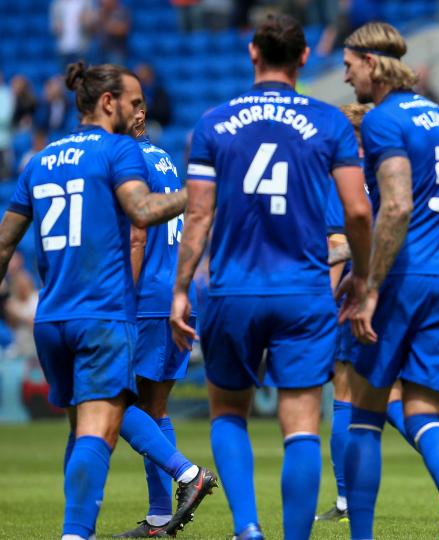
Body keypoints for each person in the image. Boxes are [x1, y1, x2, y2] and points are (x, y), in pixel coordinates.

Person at [170, 15, 373, 540]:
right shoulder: (328, 122)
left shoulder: (213, 123)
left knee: (228, 411)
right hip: (304, 290)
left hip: (232, 289)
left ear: (252, 51)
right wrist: (364, 277)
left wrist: (179, 287)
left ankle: (247, 527)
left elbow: (197, 215)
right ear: (305, 57)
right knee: (301, 423)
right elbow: (357, 210)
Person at [0, 60, 190, 540]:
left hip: (53, 315)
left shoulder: (40, 158)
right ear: (108, 102)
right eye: (132, 102)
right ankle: (94, 525)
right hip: (107, 310)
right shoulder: (124, 151)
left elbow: (5, 243)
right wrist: (202, 193)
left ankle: (149, 509)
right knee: (104, 424)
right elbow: (142, 217)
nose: (138, 112)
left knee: (82, 425)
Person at [341, 21, 439, 540]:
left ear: (372, 64)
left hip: (404, 276)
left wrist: (369, 287)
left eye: (351, 67)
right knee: (424, 414)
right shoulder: (437, 115)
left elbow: (395, 206)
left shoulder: (382, 120)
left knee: (365, 415)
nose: (348, 78)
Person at [113, 103, 215, 538]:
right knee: (154, 409)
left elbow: (137, 233)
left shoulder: (127, 160)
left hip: (147, 296)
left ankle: (187, 474)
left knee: (112, 403)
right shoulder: (163, 158)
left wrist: (122, 298)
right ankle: (160, 518)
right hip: (176, 292)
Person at [316, 102, 416, 525]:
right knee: (385, 394)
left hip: (355, 292)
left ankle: (344, 499)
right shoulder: (390, 171)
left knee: (346, 396)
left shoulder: (347, 178)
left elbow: (337, 240)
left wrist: (326, 299)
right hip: (394, 288)